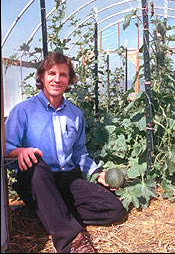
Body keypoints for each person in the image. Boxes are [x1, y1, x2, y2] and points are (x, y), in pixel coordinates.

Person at [5, 52, 126, 253]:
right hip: (35, 179)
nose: (57, 79)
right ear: (42, 76)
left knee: (114, 210)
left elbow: (80, 153)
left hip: (67, 180)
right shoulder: (23, 111)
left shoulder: (75, 114)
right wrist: (19, 152)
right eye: (52, 73)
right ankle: (73, 240)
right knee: (36, 161)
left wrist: (98, 173)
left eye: (63, 75)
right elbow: (6, 148)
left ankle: (46, 210)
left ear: (69, 80)